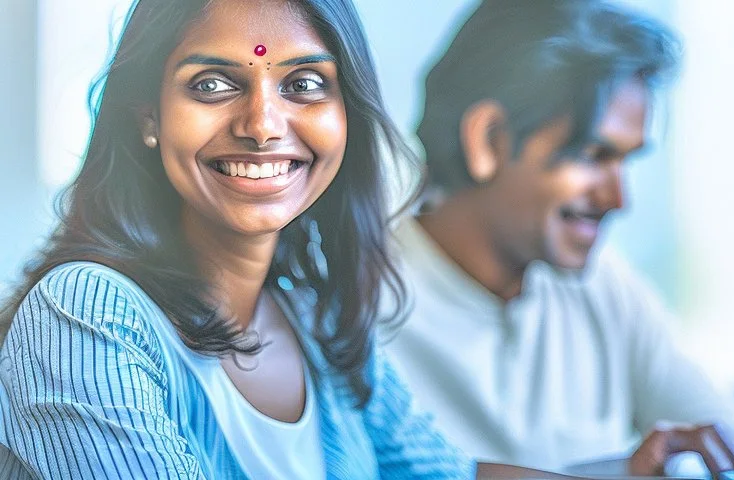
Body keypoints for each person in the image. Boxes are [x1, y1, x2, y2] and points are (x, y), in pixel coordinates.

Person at [0, 0, 475, 477]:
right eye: (211, 85)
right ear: (150, 117)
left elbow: (449, 473)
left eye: (303, 84)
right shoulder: (86, 314)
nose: (263, 125)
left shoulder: (319, 321)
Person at [387, 0, 734, 476]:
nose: (617, 198)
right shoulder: (352, 310)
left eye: (626, 161)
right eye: (593, 155)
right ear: (488, 139)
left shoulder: (602, 286)